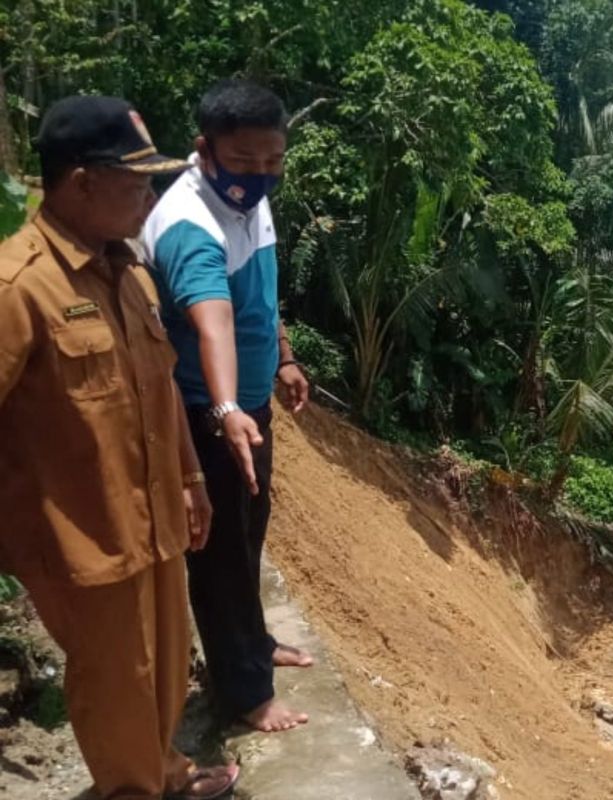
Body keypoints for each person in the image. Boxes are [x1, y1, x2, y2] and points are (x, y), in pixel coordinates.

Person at [0, 96, 240, 799]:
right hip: (80, 539)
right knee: (115, 685)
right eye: (136, 182)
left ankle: (163, 772)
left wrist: (193, 481)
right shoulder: (19, 286)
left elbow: (161, 389)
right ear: (81, 183)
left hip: (154, 517)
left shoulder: (129, 271)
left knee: (163, 668)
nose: (150, 196)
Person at [142, 80, 310, 733]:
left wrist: (286, 356)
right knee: (219, 554)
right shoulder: (190, 225)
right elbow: (211, 322)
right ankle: (244, 693)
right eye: (245, 162)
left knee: (249, 527)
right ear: (204, 150)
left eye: (274, 162)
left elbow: (258, 293)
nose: (262, 176)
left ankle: (254, 642)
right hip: (204, 417)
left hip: (244, 410)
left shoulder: (249, 198)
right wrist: (226, 407)